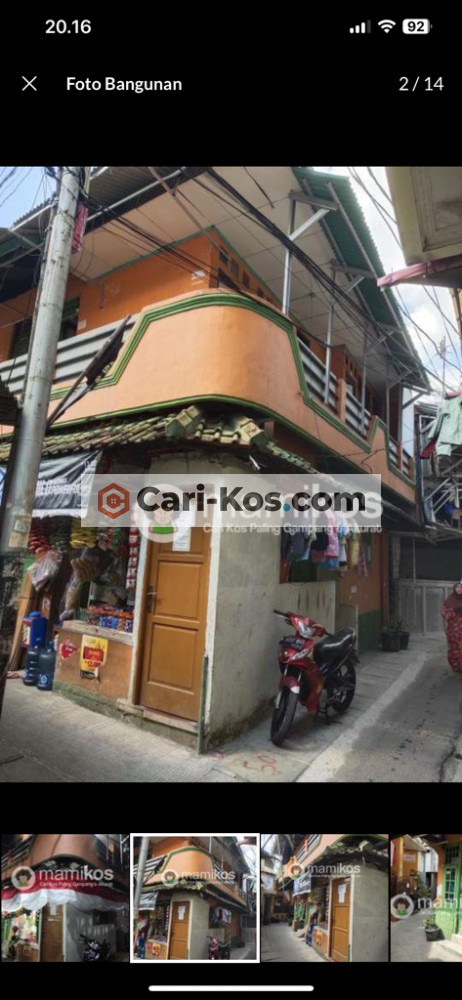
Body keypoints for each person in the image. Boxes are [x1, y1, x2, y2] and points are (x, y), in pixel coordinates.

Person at [441, 581, 462, 675]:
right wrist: (453, 613)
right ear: (454, 589)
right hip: (453, 629)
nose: (459, 589)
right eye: (457, 587)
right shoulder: (450, 600)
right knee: (455, 648)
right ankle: (457, 666)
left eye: (461, 587)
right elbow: (444, 613)